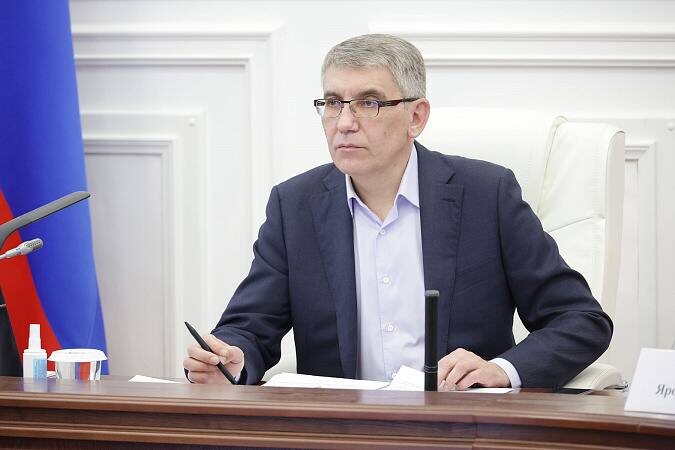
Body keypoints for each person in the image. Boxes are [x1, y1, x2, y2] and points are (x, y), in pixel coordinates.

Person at [183, 34, 612, 389]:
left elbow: (581, 320)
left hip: (461, 428)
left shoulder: (488, 195)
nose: (344, 122)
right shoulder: (294, 206)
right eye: (332, 102)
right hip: (340, 432)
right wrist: (231, 358)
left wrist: (503, 370)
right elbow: (250, 327)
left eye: (368, 103)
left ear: (416, 117)